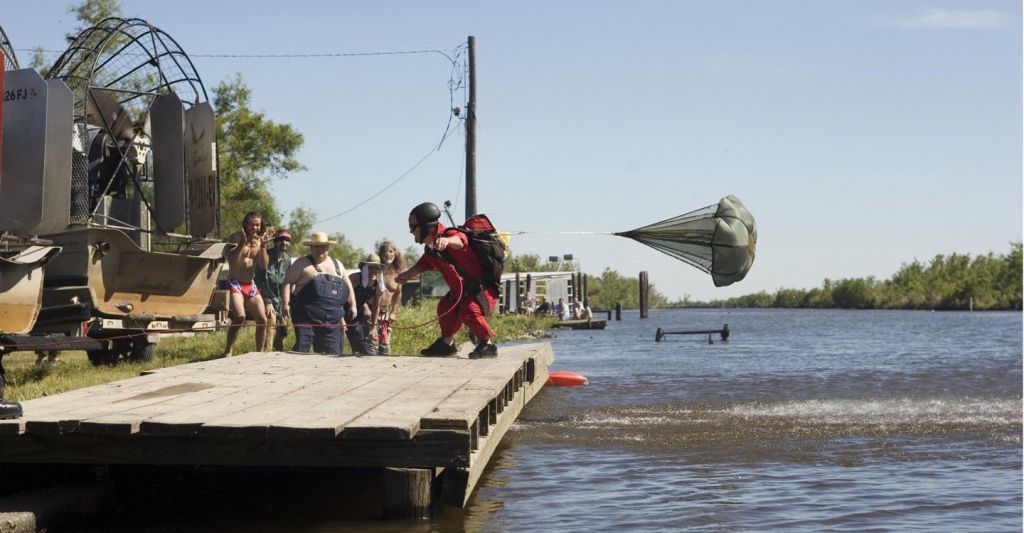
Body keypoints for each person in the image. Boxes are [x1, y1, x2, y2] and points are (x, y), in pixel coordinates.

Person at [395, 202, 498, 358]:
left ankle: (488, 345)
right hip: (460, 292)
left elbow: (461, 240)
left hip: (481, 290)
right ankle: (447, 345)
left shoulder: (449, 235)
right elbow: (422, 265)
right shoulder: (431, 248)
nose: (411, 232)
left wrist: (448, 241)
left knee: (469, 312)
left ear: (425, 226)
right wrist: (406, 275)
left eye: (413, 227)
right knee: (445, 308)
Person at [281, 231, 357, 356]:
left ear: (328, 247)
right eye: (316, 246)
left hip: (332, 318)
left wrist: (353, 305)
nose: (320, 249)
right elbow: (287, 282)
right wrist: (285, 304)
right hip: (305, 316)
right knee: (302, 348)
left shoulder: (338, 265)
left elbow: (348, 286)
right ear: (311, 247)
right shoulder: (301, 263)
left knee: (332, 353)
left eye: (323, 246)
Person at [223, 212, 271, 357]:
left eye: (258, 224)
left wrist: (262, 247)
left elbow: (263, 265)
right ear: (246, 223)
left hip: (250, 284)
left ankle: (259, 353)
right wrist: (242, 244)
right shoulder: (236, 237)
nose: (255, 228)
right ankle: (228, 349)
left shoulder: (260, 240)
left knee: (262, 319)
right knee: (239, 317)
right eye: (252, 224)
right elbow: (231, 259)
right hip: (235, 283)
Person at [255, 229, 292, 351]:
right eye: (281, 240)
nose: (284, 243)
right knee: (270, 325)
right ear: (275, 242)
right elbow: (258, 280)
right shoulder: (266, 256)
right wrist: (266, 300)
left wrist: (286, 303)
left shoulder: (287, 260)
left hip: (280, 301)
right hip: (266, 298)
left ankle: (278, 356)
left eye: (287, 240)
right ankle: (265, 354)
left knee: (282, 330)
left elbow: (286, 283)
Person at [374, 240, 405, 355]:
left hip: (385, 314)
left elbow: (398, 294)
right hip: (371, 313)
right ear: (380, 255)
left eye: (391, 251)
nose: (388, 254)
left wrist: (394, 312)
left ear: (395, 253)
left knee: (385, 347)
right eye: (385, 252)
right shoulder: (375, 270)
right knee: (372, 347)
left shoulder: (398, 273)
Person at [345, 253, 381, 356]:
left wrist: (373, 327)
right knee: (357, 341)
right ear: (365, 268)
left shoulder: (378, 285)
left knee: (362, 341)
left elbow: (376, 306)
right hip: (344, 311)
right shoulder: (355, 278)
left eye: (377, 268)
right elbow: (341, 296)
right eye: (371, 268)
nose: (374, 271)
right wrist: (340, 317)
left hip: (358, 315)